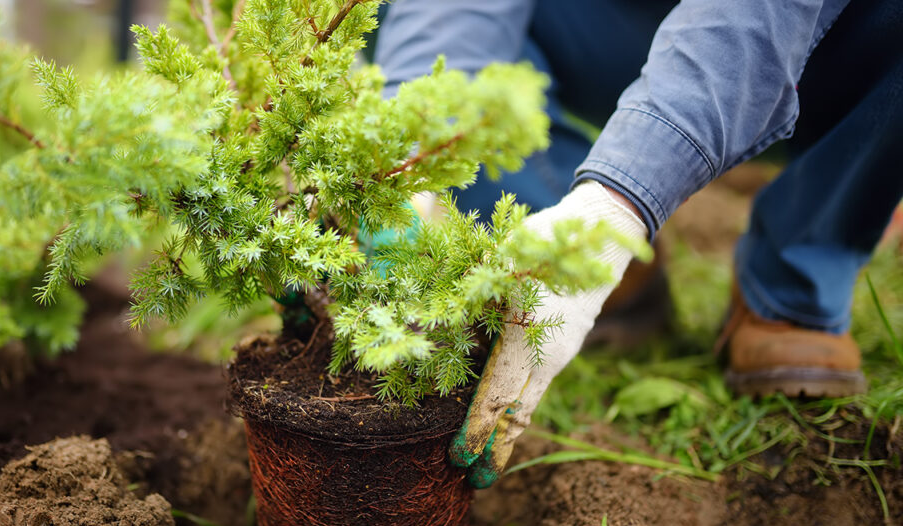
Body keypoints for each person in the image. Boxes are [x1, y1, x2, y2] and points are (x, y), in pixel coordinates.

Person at [374, 0, 903, 488]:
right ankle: (557, 232)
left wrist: (618, 204)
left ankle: (795, 275)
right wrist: (411, 132)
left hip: (822, 45)